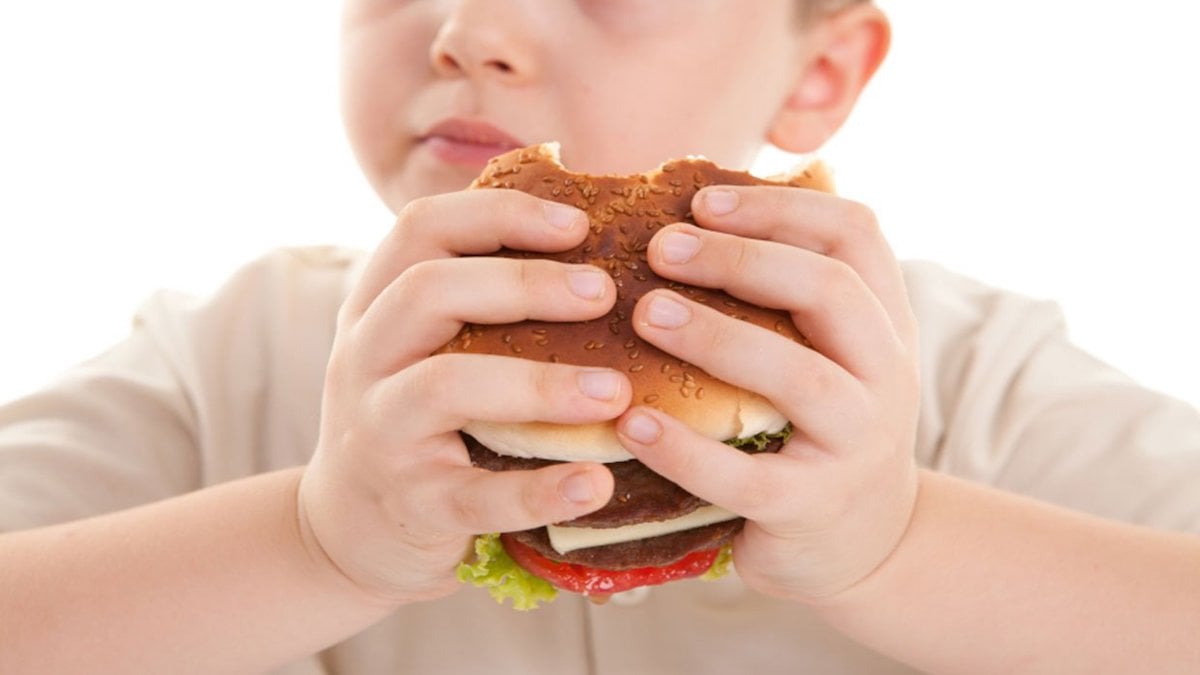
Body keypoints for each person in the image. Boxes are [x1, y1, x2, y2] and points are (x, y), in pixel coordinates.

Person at [1, 1, 1198, 673]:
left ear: (821, 70)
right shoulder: (229, 360)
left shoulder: (970, 370)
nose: (468, 29)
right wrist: (317, 542)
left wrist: (898, 543)